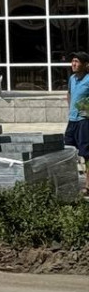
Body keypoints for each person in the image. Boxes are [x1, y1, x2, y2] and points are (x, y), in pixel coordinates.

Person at [65, 51, 89, 194]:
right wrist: (71, 108)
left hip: (84, 121)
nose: (73, 64)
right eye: (73, 61)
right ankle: (68, 184)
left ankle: (88, 186)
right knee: (67, 151)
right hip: (72, 120)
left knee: (87, 154)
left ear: (86, 65)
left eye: (77, 61)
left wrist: (86, 110)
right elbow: (69, 93)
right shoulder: (72, 78)